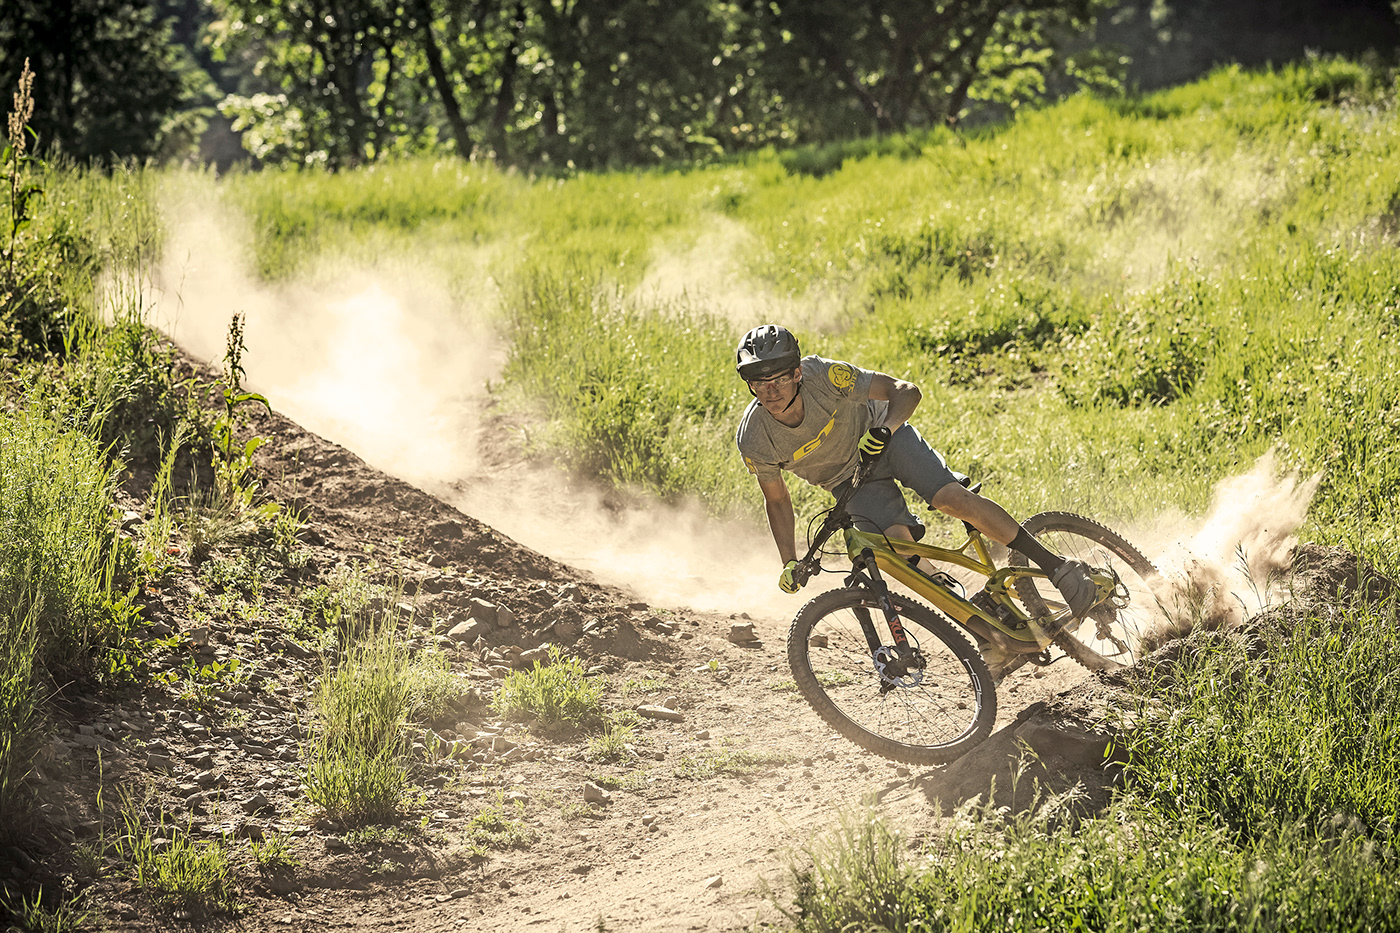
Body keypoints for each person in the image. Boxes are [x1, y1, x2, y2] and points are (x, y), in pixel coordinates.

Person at [733, 323, 1096, 616]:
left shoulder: (825, 376)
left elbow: (905, 390)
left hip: (884, 441)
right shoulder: (755, 439)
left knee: (949, 498)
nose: (770, 391)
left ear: (797, 373)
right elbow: (777, 501)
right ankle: (983, 624)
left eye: (779, 379)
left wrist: (884, 429)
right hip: (848, 481)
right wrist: (788, 562)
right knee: (898, 555)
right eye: (758, 383)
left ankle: (1058, 567)